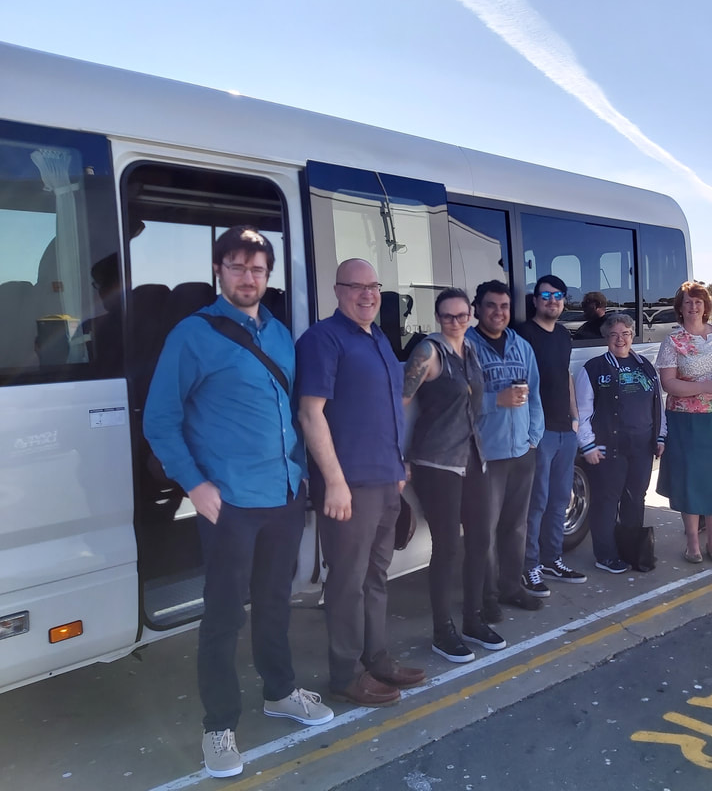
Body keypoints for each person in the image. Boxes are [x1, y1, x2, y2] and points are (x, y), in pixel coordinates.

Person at [144, 226, 333, 779]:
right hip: (229, 502)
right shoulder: (191, 335)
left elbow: (294, 413)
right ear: (219, 271)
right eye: (237, 267)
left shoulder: (279, 333)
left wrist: (302, 476)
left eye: (257, 269)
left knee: (276, 601)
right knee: (224, 615)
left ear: (267, 276)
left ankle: (280, 691)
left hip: (282, 494)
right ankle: (219, 725)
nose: (249, 277)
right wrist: (195, 485)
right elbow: (161, 420)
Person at [295, 259, 425, 709]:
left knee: (375, 577)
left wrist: (399, 464)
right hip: (349, 485)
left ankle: (377, 659)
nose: (367, 294)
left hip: (386, 478)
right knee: (347, 582)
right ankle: (346, 674)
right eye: (357, 287)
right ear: (337, 290)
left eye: (374, 286)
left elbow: (387, 409)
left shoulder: (379, 339)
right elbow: (311, 414)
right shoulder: (322, 340)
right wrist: (333, 482)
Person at [403, 288, 503, 663]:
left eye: (462, 316)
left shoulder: (471, 349)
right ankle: (442, 631)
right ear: (438, 317)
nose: (456, 322)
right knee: (447, 548)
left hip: (472, 456)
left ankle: (472, 620)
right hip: (436, 462)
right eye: (448, 317)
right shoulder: (429, 352)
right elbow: (401, 402)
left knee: (480, 539)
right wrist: (398, 456)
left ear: (471, 315)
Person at [464, 280, 546, 619]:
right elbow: (453, 400)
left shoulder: (522, 346)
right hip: (485, 454)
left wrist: (533, 436)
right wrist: (495, 400)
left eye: (504, 306)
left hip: (521, 451)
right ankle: (485, 596)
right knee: (483, 530)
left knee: (515, 525)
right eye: (491, 306)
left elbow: (536, 394)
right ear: (477, 309)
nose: (498, 312)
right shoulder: (464, 346)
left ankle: (512, 586)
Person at [655, 281, 712, 564]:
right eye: (688, 302)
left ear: (706, 306)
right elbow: (668, 384)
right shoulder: (673, 342)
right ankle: (693, 544)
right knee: (691, 479)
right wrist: (706, 386)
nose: (694, 306)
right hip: (687, 420)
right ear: (680, 309)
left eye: (698, 302)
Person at [576, 313, 666, 573]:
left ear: (632, 335)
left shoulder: (645, 366)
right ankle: (605, 555)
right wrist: (588, 445)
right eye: (614, 334)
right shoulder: (593, 369)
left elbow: (656, 404)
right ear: (607, 337)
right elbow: (582, 411)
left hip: (642, 447)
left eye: (625, 334)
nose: (620, 339)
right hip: (607, 450)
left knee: (635, 499)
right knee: (606, 501)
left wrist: (660, 436)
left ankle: (631, 550)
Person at [518, 275, 587, 596]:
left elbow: (566, 376)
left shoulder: (562, 335)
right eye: (546, 295)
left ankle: (551, 559)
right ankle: (528, 565)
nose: (553, 300)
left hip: (564, 430)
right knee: (537, 502)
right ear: (535, 300)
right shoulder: (522, 334)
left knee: (560, 500)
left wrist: (575, 417)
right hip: (538, 431)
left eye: (559, 295)